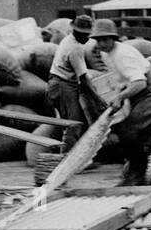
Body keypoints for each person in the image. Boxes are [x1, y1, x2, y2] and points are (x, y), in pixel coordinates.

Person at [88, 19, 151, 184]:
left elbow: (140, 82)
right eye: (98, 40)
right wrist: (116, 97)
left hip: (149, 95)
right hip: (135, 95)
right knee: (137, 138)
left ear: (113, 38)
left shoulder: (123, 54)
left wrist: (120, 98)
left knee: (127, 132)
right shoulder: (106, 54)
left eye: (105, 39)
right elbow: (120, 79)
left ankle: (136, 177)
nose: (101, 43)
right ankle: (136, 176)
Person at [45, 14, 108, 153]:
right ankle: (66, 159)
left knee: (77, 122)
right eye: (85, 35)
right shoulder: (75, 49)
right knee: (73, 124)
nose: (87, 38)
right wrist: (99, 100)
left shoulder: (68, 40)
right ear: (77, 32)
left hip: (61, 84)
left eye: (88, 35)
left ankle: (78, 155)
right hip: (63, 85)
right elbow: (84, 79)